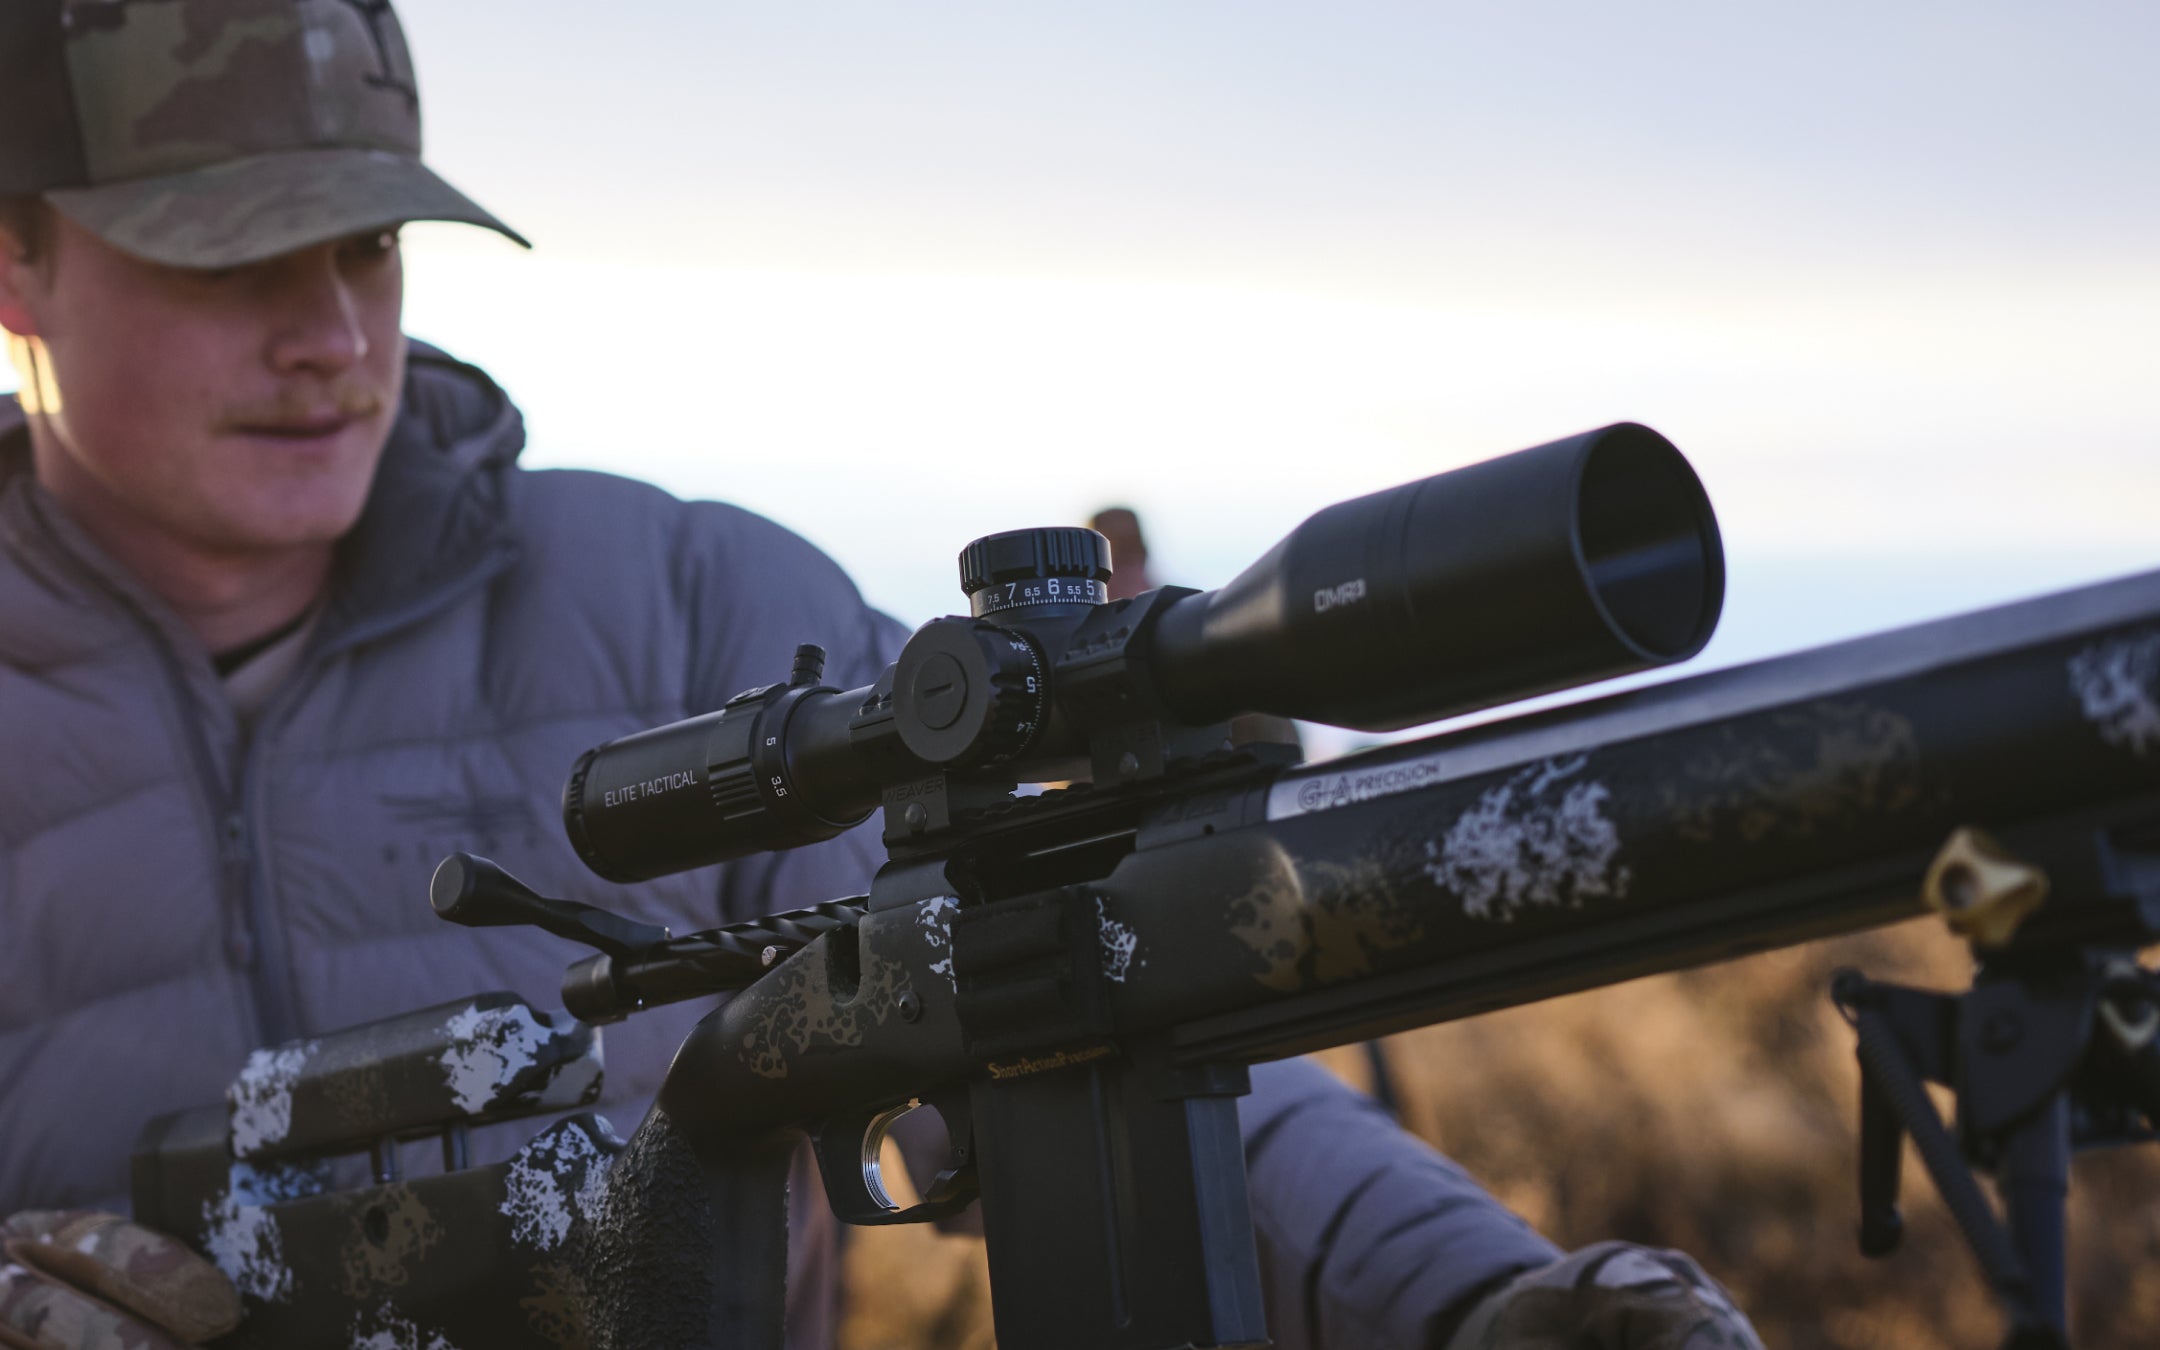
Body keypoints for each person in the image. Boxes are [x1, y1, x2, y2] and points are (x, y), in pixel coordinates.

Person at [0, 3, 1760, 1348]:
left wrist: (1483, 1306)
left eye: (367, 246)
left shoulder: (692, 609)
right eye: (229, 250)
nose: (332, 336)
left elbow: (1088, 998)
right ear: (22, 254)